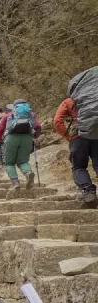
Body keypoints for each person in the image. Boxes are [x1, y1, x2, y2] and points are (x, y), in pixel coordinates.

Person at [55, 66, 98, 204]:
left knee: (79, 166)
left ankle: (88, 191)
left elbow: (57, 121)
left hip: (78, 137)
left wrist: (68, 136)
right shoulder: (94, 98)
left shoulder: (69, 101)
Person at [0, 98, 42, 189]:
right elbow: (38, 126)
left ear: (14, 107)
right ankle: (28, 173)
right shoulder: (31, 115)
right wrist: (35, 136)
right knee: (23, 161)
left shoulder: (8, 115)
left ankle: (15, 183)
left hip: (11, 138)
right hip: (27, 138)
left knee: (9, 163)